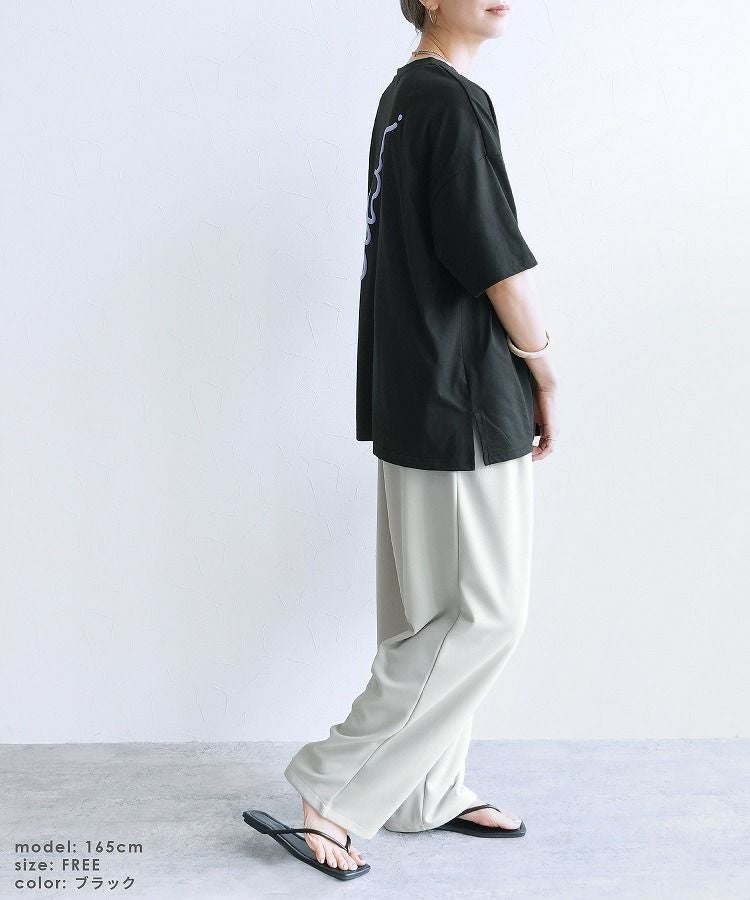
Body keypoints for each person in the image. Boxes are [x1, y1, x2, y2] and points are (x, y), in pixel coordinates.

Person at [245, 0, 559, 879]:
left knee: (426, 615)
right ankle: (334, 784)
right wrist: (542, 364)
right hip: (463, 398)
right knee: (485, 615)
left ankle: (424, 790)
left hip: (415, 390)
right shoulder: (449, 100)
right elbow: (494, 258)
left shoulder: (403, 96)